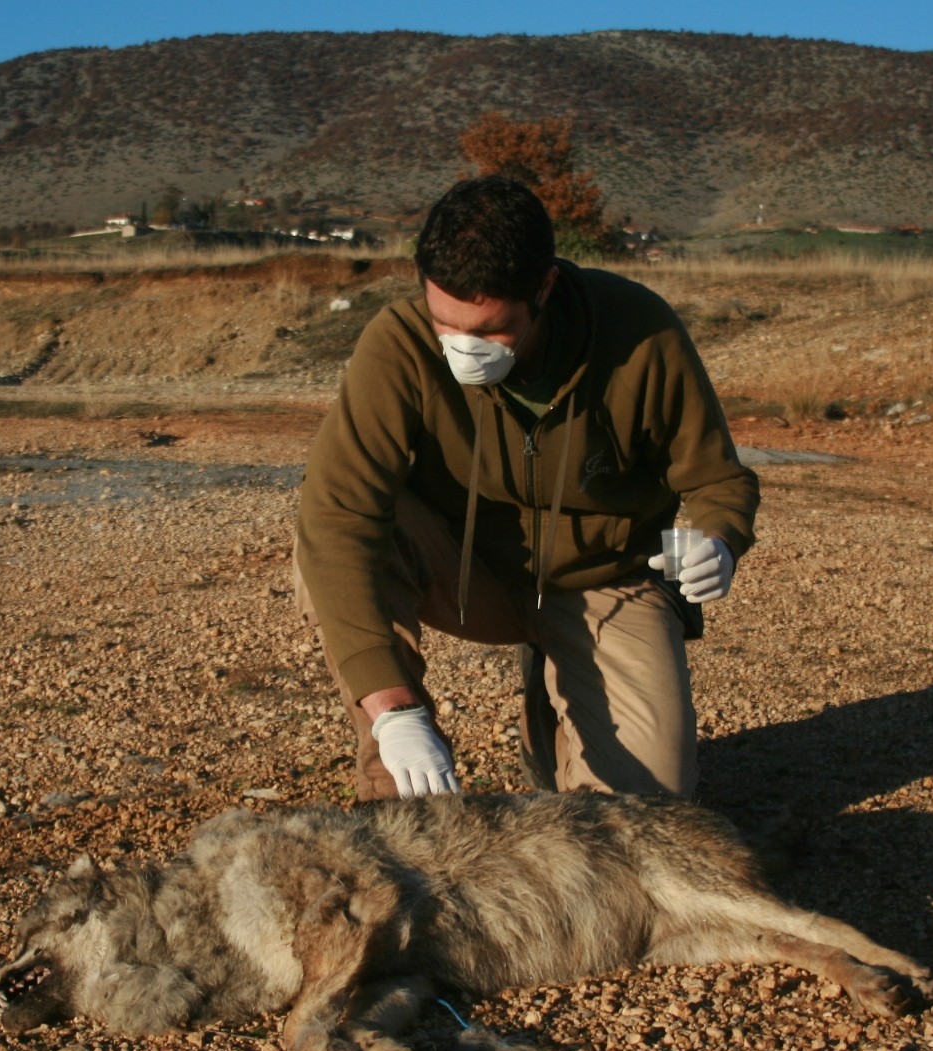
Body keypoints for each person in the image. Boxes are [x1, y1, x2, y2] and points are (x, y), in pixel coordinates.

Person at [294, 175, 759, 802]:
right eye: (445, 323)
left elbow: (717, 478)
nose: (464, 349)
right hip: (468, 576)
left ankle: (554, 709)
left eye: (492, 332)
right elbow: (336, 516)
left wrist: (718, 539)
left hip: (604, 581)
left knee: (645, 805)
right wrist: (392, 710)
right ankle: (397, 801)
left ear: (544, 288)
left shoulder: (639, 331)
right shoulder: (399, 342)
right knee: (335, 544)